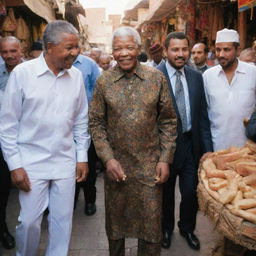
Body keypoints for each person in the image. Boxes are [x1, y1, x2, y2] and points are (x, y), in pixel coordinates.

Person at [0, 20, 90, 256]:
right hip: (31, 163)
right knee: (29, 222)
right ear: (50, 47)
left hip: (65, 162)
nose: (75, 53)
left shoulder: (77, 76)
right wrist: (15, 165)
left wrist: (82, 158)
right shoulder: (22, 74)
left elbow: (81, 120)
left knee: (62, 222)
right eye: (69, 48)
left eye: (76, 47)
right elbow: (7, 125)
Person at [89, 26, 177, 256]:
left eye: (129, 47)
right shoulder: (104, 82)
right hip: (117, 168)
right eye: (118, 49)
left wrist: (165, 159)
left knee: (150, 229)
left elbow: (168, 121)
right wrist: (107, 160)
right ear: (113, 52)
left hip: (150, 168)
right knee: (116, 228)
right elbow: (96, 123)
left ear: (139, 49)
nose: (124, 53)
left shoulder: (156, 78)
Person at [158, 32, 213, 251]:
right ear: (166, 51)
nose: (180, 54)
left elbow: (203, 116)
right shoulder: (155, 76)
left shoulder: (195, 76)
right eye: (175, 49)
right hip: (165, 149)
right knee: (166, 193)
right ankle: (166, 229)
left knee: (190, 193)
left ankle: (187, 228)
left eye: (184, 49)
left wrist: (208, 153)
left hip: (191, 145)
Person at [203, 28, 256, 151]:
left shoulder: (253, 73)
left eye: (226, 50)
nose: (221, 54)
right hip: (217, 149)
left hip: (248, 150)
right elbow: (204, 116)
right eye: (218, 49)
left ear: (238, 50)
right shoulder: (207, 76)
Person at [0, 36, 23, 250]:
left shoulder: (30, 72)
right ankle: (3, 230)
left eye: (13, 51)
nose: (9, 55)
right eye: (5, 52)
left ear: (21, 49)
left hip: (25, 141)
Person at [73, 53, 100, 215]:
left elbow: (97, 92)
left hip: (86, 125)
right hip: (65, 128)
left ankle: (90, 200)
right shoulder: (56, 62)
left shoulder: (89, 64)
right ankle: (72, 199)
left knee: (88, 163)